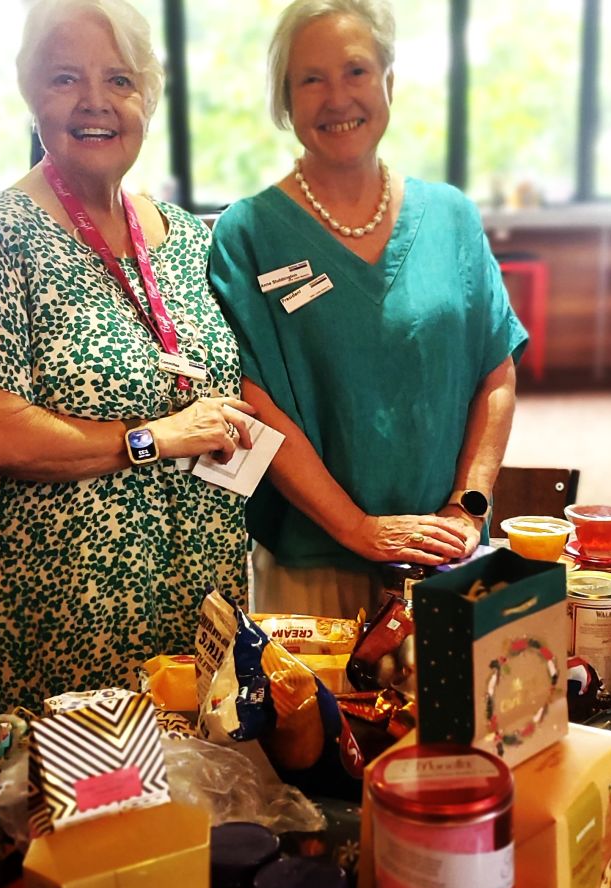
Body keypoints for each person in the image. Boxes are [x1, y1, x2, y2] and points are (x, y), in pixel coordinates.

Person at [0, 0, 254, 744]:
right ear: (31, 94)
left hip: (195, 608)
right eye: (66, 78)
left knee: (202, 802)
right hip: (59, 629)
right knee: (77, 810)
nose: (96, 101)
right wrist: (155, 437)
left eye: (119, 80)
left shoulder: (188, 237)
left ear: (147, 99)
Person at [209, 0, 527, 618]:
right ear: (286, 99)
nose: (337, 98)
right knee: (314, 690)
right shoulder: (247, 233)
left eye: (355, 71)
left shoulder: (452, 217)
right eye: (311, 79)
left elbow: (496, 371)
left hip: (446, 557)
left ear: (388, 81)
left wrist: (468, 507)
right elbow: (256, 402)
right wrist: (358, 528)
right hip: (311, 566)